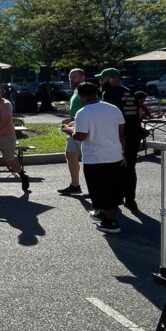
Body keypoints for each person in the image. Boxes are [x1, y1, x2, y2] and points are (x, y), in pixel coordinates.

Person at [70, 83, 126, 234]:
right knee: (113, 188)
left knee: (101, 191)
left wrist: (70, 131)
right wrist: (124, 153)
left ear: (81, 96)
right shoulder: (113, 108)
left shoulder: (83, 112)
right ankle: (107, 213)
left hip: (96, 157)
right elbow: (121, 132)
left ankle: (111, 222)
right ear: (96, 93)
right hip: (114, 154)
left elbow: (81, 136)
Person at [97, 68, 141, 212]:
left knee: (114, 169)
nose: (100, 82)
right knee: (130, 168)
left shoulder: (109, 93)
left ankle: (116, 199)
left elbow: (107, 116)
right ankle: (130, 200)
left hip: (117, 136)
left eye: (102, 79)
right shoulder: (129, 92)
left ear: (110, 79)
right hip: (133, 135)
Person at [58, 68, 86, 196]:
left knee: (88, 159)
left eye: (73, 77)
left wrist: (73, 122)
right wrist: (68, 120)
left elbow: (88, 110)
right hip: (73, 128)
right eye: (70, 77)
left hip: (82, 129)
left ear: (82, 77)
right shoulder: (76, 91)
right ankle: (75, 185)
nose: (70, 79)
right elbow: (76, 113)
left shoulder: (86, 91)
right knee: (70, 154)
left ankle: (95, 188)